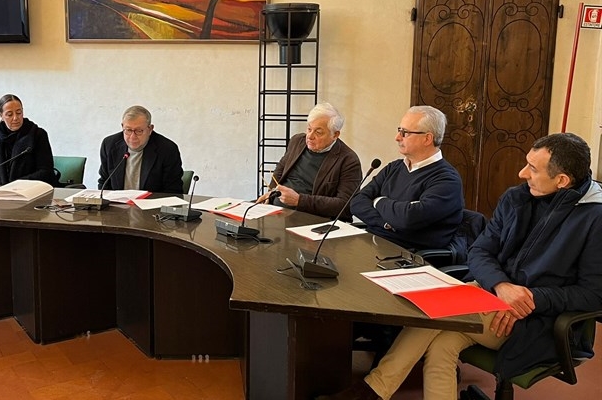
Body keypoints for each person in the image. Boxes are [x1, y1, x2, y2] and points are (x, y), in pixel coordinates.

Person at [325, 132, 602, 400]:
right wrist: (501, 286)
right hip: (489, 294)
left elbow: (593, 293)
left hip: (536, 320)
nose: (522, 173)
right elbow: (480, 250)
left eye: (532, 168)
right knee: (442, 347)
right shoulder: (516, 198)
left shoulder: (594, 218)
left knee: (436, 313)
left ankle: (371, 392)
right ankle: (372, 391)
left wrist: (531, 299)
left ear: (562, 180)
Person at [350, 105, 464, 252]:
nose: (397, 138)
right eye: (399, 131)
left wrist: (378, 200)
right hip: (374, 241)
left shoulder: (447, 179)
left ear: (427, 138)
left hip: (410, 255)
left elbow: (408, 218)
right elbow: (357, 201)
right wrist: (386, 223)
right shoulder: (394, 167)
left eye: (405, 133)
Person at [256, 102, 362, 220]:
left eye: (318, 132)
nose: (310, 136)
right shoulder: (297, 141)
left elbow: (345, 206)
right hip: (276, 211)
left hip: (312, 218)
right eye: (309, 129)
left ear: (335, 135)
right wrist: (271, 193)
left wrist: (299, 200)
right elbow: (280, 169)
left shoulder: (348, 160)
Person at [98, 105, 183, 194]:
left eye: (139, 131)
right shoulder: (109, 145)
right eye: (128, 130)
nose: (132, 136)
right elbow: (104, 183)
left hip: (151, 205)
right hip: (117, 205)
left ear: (150, 129)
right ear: (122, 126)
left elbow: (173, 191)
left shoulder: (167, 149)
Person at [0, 94, 56, 186]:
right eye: (9, 114)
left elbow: (46, 172)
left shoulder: (37, 134)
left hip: (33, 189)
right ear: (1, 116)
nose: (15, 118)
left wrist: (16, 184)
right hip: (4, 192)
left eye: (19, 113)